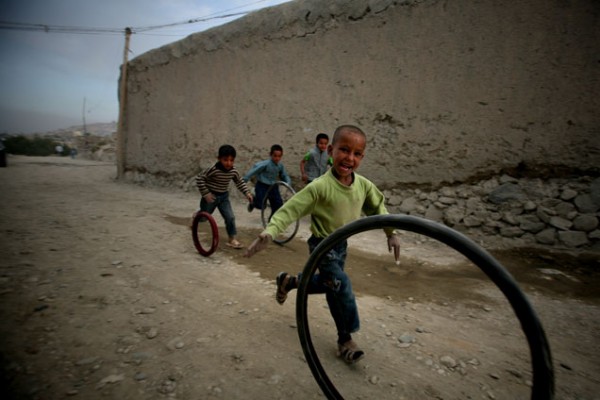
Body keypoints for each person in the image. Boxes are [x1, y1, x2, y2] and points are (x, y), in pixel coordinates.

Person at [245, 125, 401, 364]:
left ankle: (290, 281)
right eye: (344, 150)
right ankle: (345, 339)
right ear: (331, 150)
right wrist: (270, 231)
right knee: (340, 284)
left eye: (357, 153)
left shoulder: (363, 186)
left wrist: (391, 232)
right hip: (322, 246)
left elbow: (378, 207)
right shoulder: (319, 187)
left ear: (362, 157)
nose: (349, 158)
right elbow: (291, 209)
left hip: (341, 246)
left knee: (331, 285)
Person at [195, 144, 253, 249]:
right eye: (225, 160)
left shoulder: (233, 171)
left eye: (231, 160)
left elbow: (239, 182)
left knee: (230, 217)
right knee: (204, 217)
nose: (228, 163)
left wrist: (247, 193)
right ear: (219, 159)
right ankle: (196, 216)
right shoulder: (213, 169)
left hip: (224, 198)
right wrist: (206, 194)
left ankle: (232, 238)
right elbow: (199, 179)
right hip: (211, 196)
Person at [243, 144, 292, 218]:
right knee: (261, 205)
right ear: (270, 154)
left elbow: (284, 175)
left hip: (273, 187)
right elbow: (254, 170)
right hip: (262, 186)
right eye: (275, 156)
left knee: (278, 204)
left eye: (279, 156)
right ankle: (253, 202)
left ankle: (271, 220)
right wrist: (245, 179)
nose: (277, 158)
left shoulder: (280, 166)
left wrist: (288, 182)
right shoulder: (265, 164)